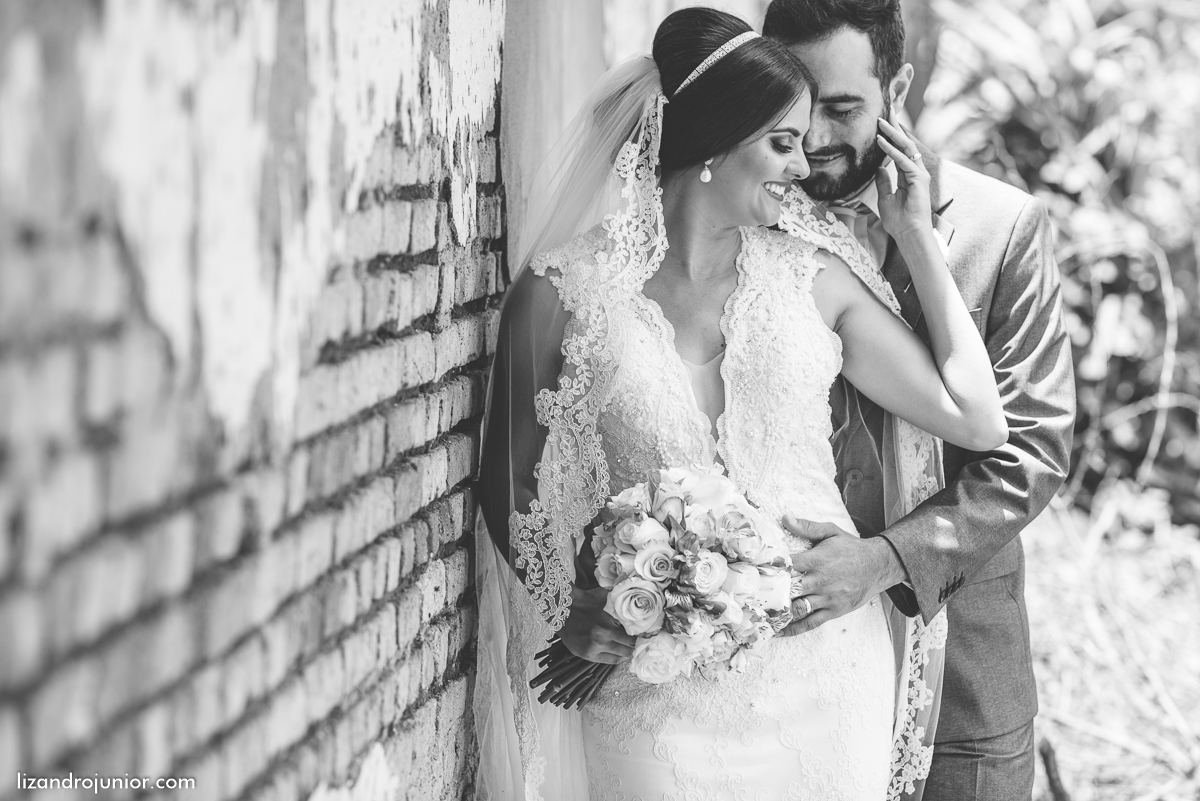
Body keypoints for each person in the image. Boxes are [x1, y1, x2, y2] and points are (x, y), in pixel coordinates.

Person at [473, 7, 1006, 800]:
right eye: (781, 143)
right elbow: (505, 486)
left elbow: (976, 417)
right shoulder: (559, 293)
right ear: (717, 145)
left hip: (824, 675)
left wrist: (918, 237)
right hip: (650, 688)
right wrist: (573, 603)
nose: (802, 166)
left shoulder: (815, 277)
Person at [762, 1, 1077, 798]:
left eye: (842, 108)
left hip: (961, 689)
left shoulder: (999, 229)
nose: (818, 138)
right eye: (798, 105)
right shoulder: (749, 216)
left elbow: (1030, 452)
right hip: (780, 676)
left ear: (897, 85)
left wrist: (882, 561)